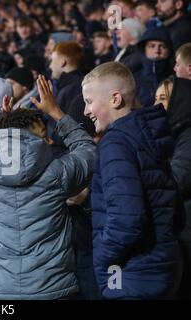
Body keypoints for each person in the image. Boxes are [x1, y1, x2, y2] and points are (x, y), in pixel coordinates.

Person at [0, 76, 96, 299]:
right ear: (28, 139)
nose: (49, 141)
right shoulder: (57, 173)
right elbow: (87, 150)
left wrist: (3, 125)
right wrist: (57, 112)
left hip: (3, 292)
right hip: (52, 289)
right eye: (43, 135)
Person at [83, 61, 182, 299]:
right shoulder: (144, 135)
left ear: (115, 99)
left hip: (131, 272)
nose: (85, 111)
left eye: (89, 102)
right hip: (160, 264)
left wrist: (102, 257)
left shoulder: (116, 143)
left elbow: (127, 219)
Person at [167, 77, 191, 299]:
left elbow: (178, 178)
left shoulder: (188, 135)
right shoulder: (174, 134)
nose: (158, 105)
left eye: (165, 98)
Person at [136, 27, 174, 107]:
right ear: (144, 50)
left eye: (162, 46)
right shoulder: (133, 79)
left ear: (169, 51)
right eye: (152, 46)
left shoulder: (176, 79)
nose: (157, 50)